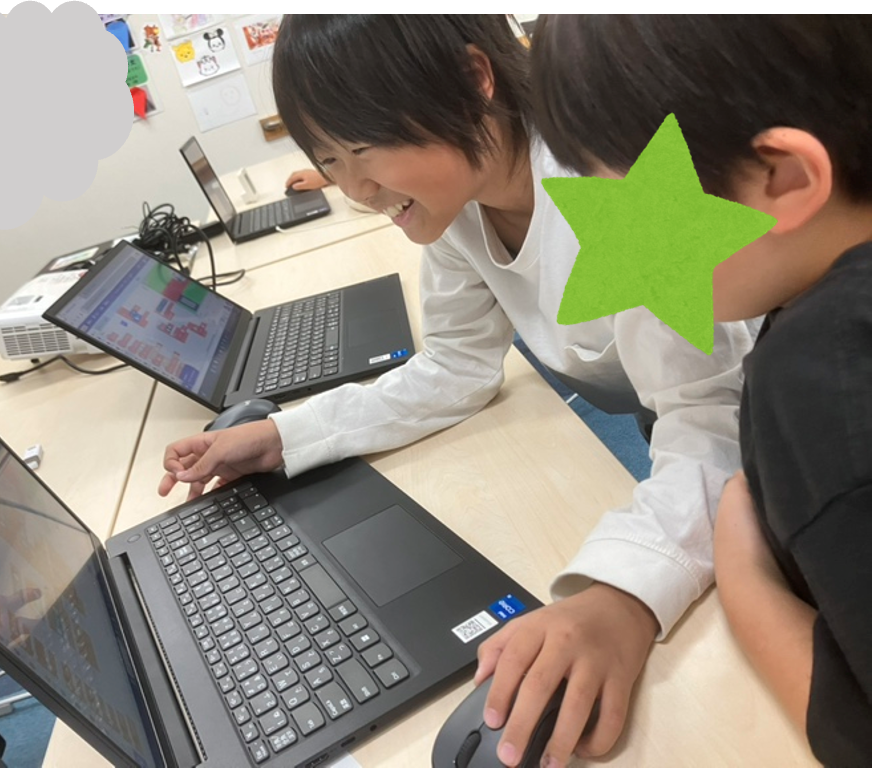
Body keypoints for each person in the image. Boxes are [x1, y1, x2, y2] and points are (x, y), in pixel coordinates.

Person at [160, 16, 755, 767]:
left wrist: (624, 593)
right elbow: (454, 367)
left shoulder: (618, 178)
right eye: (329, 160)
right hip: (667, 425)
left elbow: (719, 421)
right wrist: (285, 435)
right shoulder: (460, 205)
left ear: (474, 79)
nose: (356, 190)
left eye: (363, 149)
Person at [527, 14, 871, 766]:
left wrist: (745, 581)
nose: (611, 246)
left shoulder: (821, 373)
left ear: (785, 177)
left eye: (620, 197)